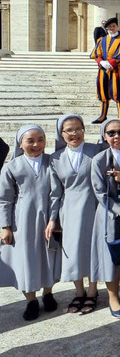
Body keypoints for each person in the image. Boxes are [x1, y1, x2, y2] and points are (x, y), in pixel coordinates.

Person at [0, 125, 59, 321]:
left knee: (49, 256)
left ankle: (48, 292)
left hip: (50, 217)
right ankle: (31, 300)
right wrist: (5, 227)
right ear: (20, 143)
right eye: (30, 140)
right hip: (22, 220)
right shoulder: (12, 167)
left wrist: (54, 218)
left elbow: (56, 193)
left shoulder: (52, 162)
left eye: (40, 139)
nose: (36, 144)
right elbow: (5, 199)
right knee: (27, 259)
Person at [49, 114, 101, 314]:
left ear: (84, 130)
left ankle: (93, 291)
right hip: (68, 208)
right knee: (73, 252)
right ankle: (79, 292)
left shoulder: (95, 150)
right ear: (61, 134)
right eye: (69, 130)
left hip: (92, 205)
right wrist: (53, 219)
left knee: (91, 249)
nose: (74, 133)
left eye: (78, 128)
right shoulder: (56, 158)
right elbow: (55, 192)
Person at [90, 118, 120, 318]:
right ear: (105, 136)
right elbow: (100, 192)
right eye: (111, 133)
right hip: (110, 212)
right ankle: (113, 296)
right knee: (112, 254)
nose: (116, 136)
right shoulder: (99, 160)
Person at [90, 17, 120, 123]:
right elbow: (96, 54)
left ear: (117, 26)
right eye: (109, 26)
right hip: (102, 70)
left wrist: (111, 63)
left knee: (118, 93)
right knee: (103, 93)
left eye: (113, 26)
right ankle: (103, 115)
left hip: (116, 70)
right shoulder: (101, 40)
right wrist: (101, 62)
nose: (111, 28)